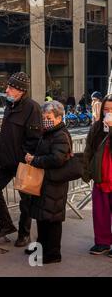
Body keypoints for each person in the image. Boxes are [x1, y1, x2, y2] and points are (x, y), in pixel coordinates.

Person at [0, 72, 43, 247]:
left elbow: (35, 139)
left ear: (21, 91)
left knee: (26, 202)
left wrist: (23, 156)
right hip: (5, 161)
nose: (6, 90)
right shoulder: (10, 105)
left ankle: (24, 234)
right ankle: (6, 225)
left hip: (22, 163)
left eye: (10, 88)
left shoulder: (32, 108)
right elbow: (8, 133)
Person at [25, 101, 71, 264]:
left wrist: (35, 160)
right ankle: (41, 248)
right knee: (43, 218)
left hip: (54, 183)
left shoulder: (60, 135)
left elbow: (57, 159)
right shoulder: (49, 133)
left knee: (52, 220)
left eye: (49, 117)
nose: (45, 120)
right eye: (44, 117)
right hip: (45, 182)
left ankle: (52, 254)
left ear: (59, 117)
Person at [82, 94, 112, 257]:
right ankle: (102, 242)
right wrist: (86, 172)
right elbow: (89, 151)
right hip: (101, 177)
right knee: (100, 213)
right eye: (106, 109)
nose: (108, 113)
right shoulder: (96, 128)